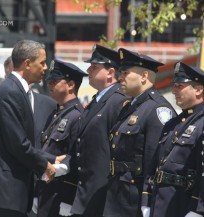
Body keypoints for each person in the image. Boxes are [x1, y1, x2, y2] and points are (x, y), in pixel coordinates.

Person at [0, 40, 57, 217]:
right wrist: (45, 165)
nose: (46, 67)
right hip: (3, 192)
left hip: (7, 193)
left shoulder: (14, 89)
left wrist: (52, 158)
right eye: (41, 62)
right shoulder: (11, 91)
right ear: (27, 64)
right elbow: (18, 143)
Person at [103, 48, 176, 217]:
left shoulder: (158, 109)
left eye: (126, 73)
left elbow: (156, 161)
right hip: (117, 192)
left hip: (134, 198)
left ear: (144, 76)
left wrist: (148, 199)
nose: (120, 77)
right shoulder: (132, 106)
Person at [71, 45, 129, 217]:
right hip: (87, 193)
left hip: (102, 196)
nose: (88, 69)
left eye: (95, 67)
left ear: (111, 72)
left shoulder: (119, 101)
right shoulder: (98, 99)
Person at [141, 62, 204, 217]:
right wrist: (146, 199)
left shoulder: (201, 122)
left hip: (184, 205)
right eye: (174, 85)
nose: (174, 91)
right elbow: (155, 164)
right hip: (161, 203)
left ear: (198, 89)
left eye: (179, 86)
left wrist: (198, 209)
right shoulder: (173, 123)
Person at [36, 59, 87, 217]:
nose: (49, 84)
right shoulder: (56, 113)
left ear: (71, 85)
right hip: (47, 192)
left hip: (61, 195)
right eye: (49, 80)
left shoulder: (77, 116)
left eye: (55, 81)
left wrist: (68, 201)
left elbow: (76, 159)